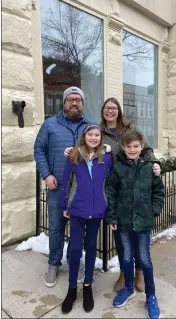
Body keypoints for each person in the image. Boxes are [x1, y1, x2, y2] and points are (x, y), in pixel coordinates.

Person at [65, 96, 161, 293]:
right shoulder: (99, 131)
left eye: (113, 108)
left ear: (119, 110)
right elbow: (87, 146)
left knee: (138, 238)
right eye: (107, 108)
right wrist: (72, 150)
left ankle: (140, 272)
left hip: (135, 181)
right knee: (121, 236)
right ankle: (125, 273)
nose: (110, 111)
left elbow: (147, 149)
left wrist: (154, 164)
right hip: (115, 186)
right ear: (103, 111)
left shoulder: (128, 129)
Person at [34, 86, 90, 287]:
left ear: (82, 103)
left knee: (78, 229)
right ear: (64, 102)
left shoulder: (90, 128)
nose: (74, 103)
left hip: (82, 191)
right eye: (70, 99)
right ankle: (54, 263)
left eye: (78, 99)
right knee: (56, 228)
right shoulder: (50, 125)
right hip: (57, 188)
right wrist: (47, 175)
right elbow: (39, 150)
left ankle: (74, 259)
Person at [106, 130, 164, 319]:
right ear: (123, 147)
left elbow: (158, 192)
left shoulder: (149, 167)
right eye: (129, 146)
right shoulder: (118, 167)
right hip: (123, 222)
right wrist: (112, 217)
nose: (132, 150)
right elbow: (111, 192)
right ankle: (128, 288)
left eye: (136, 146)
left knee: (145, 260)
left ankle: (151, 296)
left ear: (142, 147)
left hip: (143, 223)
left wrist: (154, 210)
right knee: (126, 258)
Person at [60, 123, 112, 314]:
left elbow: (110, 183)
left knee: (91, 248)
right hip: (78, 210)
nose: (93, 138)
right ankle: (72, 288)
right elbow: (66, 180)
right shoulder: (74, 155)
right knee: (75, 249)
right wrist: (65, 205)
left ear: (100, 138)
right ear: (84, 136)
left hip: (97, 210)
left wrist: (109, 206)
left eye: (97, 135)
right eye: (90, 134)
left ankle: (87, 286)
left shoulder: (106, 158)